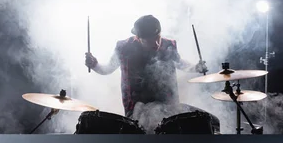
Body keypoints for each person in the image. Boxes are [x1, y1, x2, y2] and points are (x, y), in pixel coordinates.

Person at [84, 15, 217, 129]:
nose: (156, 44)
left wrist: (195, 68)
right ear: (138, 38)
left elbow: (180, 63)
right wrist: (94, 64)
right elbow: (107, 69)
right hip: (137, 109)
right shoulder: (123, 48)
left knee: (206, 123)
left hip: (168, 106)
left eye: (157, 37)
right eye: (150, 41)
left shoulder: (168, 45)